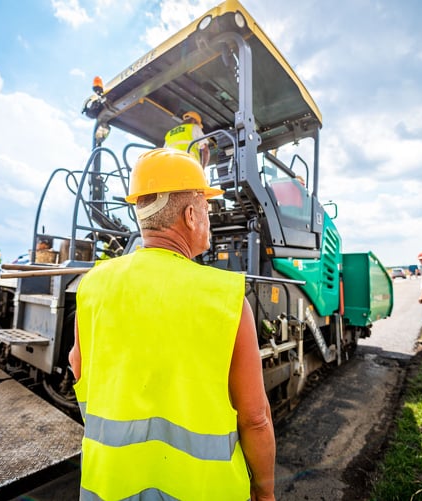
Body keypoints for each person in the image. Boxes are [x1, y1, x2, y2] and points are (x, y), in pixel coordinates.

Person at [69, 148, 276, 500]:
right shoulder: (225, 296)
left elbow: (78, 367)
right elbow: (255, 418)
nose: (210, 220)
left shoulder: (92, 285)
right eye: (207, 210)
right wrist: (265, 489)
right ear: (192, 215)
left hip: (107, 486)